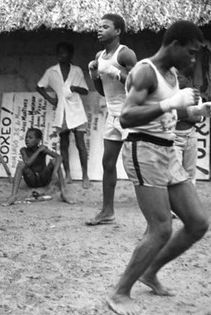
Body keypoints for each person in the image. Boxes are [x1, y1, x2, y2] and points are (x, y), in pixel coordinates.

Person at [106, 20, 211, 315]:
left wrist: (195, 111)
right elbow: (128, 117)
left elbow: (170, 112)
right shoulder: (145, 70)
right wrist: (171, 102)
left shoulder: (170, 73)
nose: (193, 60)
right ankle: (120, 292)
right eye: (192, 53)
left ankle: (150, 272)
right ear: (174, 45)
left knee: (197, 223)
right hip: (143, 150)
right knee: (160, 228)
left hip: (167, 150)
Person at [86, 13, 137, 225]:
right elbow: (102, 91)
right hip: (112, 115)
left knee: (137, 165)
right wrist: (95, 75)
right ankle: (107, 212)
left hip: (132, 114)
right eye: (99, 26)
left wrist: (114, 72)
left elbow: (139, 85)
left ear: (117, 31)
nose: (100, 30)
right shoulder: (99, 56)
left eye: (105, 27)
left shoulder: (126, 54)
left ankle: (162, 208)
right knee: (108, 163)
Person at [36, 42, 92, 189]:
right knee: (64, 143)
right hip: (62, 111)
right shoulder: (51, 72)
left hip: (76, 111)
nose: (61, 55)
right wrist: (50, 99)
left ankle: (85, 176)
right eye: (59, 53)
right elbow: (39, 86)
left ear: (70, 55)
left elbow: (85, 91)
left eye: (64, 53)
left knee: (80, 144)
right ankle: (68, 174)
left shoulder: (77, 71)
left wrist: (75, 88)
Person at [3, 128, 74, 206]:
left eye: (30, 138)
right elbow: (28, 163)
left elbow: (59, 157)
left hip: (43, 179)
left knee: (54, 161)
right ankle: (13, 196)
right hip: (31, 180)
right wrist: (39, 151)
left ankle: (63, 194)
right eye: (26, 137)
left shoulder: (43, 149)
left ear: (38, 141)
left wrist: (54, 171)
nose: (27, 140)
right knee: (21, 164)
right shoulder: (23, 150)